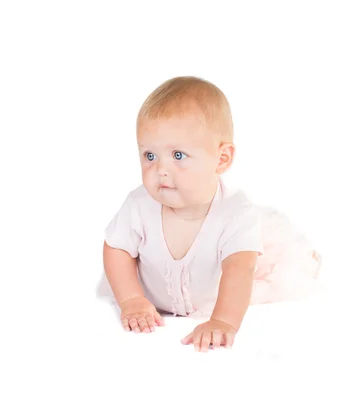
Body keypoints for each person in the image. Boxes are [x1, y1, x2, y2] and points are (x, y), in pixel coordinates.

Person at [97, 76, 322, 352]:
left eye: (178, 155)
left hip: (216, 293)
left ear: (222, 159)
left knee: (270, 266)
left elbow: (238, 270)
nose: (161, 169)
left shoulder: (234, 215)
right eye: (150, 156)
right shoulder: (139, 205)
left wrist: (223, 321)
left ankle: (305, 259)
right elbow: (116, 247)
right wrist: (131, 299)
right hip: (155, 293)